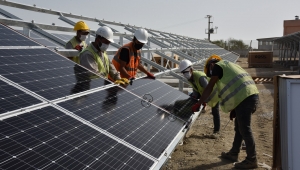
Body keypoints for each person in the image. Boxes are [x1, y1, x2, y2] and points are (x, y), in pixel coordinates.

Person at [195, 54, 259, 169]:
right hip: (249, 95)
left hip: (246, 97)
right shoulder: (228, 65)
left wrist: (199, 103)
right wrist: (234, 108)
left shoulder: (217, 66)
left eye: (210, 71)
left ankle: (252, 159)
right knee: (239, 127)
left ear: (211, 65)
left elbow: (209, 87)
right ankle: (234, 153)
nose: (212, 74)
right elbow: (236, 86)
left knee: (245, 129)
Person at [179, 59, 220, 135]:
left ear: (191, 69)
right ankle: (186, 123)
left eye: (186, 72)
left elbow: (208, 89)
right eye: (183, 73)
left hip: (214, 95)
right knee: (190, 99)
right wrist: (194, 97)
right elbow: (196, 89)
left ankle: (216, 131)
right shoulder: (190, 79)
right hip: (204, 94)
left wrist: (203, 101)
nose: (185, 74)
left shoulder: (200, 76)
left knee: (215, 112)